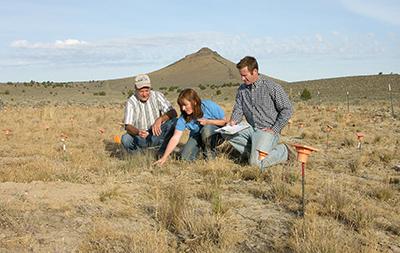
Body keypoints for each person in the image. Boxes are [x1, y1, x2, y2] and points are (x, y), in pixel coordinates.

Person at [223, 56, 293, 171]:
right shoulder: (241, 89)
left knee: (255, 164)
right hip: (250, 128)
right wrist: (233, 121)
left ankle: (284, 151)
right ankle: (256, 154)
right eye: (241, 75)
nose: (242, 78)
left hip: (267, 131)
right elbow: (238, 108)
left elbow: (287, 109)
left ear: (254, 71)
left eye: (245, 75)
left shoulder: (272, 87)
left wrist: (274, 129)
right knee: (226, 133)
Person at [154, 88, 226, 166]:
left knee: (206, 130)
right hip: (197, 136)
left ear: (194, 102)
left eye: (185, 105)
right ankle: (200, 150)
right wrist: (164, 157)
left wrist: (208, 122)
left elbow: (225, 122)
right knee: (185, 158)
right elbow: (175, 137)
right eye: (181, 106)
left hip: (216, 134)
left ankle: (210, 157)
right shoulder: (183, 118)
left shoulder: (208, 105)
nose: (183, 108)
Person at [121, 74, 177, 156]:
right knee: (126, 139)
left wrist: (160, 119)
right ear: (136, 90)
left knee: (175, 122)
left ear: (150, 88)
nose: (144, 94)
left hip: (157, 133)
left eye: (147, 91)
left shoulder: (157, 95)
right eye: (141, 91)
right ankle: (146, 154)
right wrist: (138, 132)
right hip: (141, 136)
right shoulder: (131, 102)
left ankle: (160, 149)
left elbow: (173, 113)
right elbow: (128, 126)